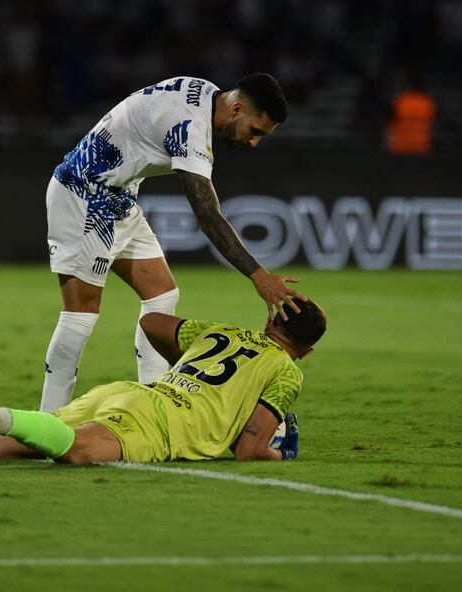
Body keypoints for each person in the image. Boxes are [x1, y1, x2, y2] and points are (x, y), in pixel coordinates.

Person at [41, 73, 309, 412]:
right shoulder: (191, 128)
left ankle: (152, 405)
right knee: (81, 314)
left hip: (118, 196)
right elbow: (207, 215)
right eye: (255, 132)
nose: (254, 143)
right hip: (83, 196)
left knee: (162, 295)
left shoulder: (207, 92)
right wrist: (260, 277)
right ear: (238, 108)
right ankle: (49, 419)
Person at [0, 298, 327, 465]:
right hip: (163, 421)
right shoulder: (286, 371)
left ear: (270, 321)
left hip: (129, 392)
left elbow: (152, 323)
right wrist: (281, 454)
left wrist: (182, 356)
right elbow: (249, 450)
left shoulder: (223, 332)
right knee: (78, 453)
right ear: (304, 350)